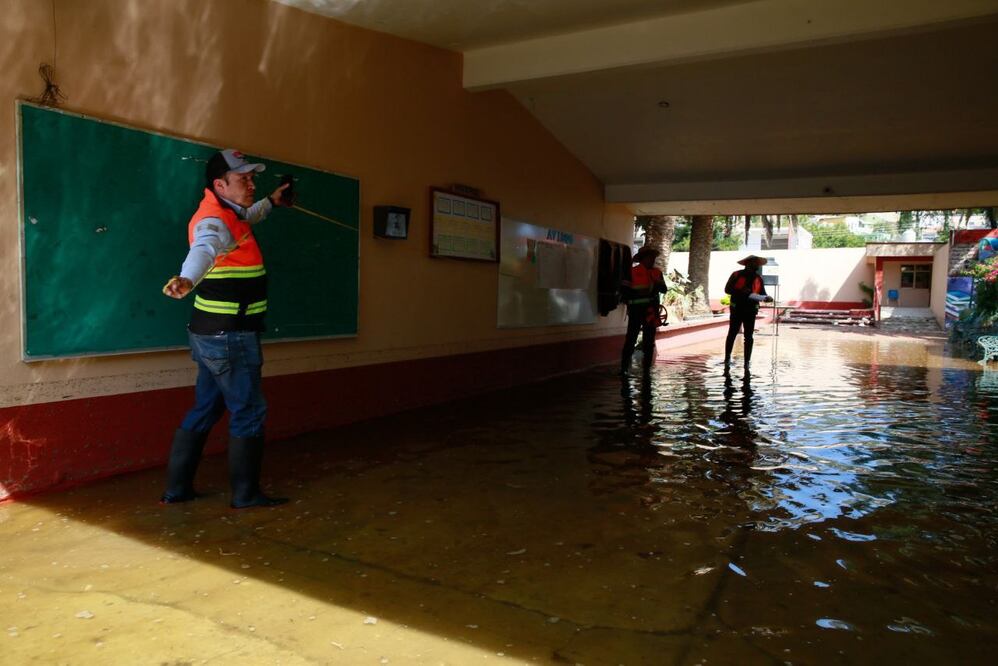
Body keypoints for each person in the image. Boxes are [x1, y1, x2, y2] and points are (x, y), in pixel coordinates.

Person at [160, 149, 292, 508]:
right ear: (220, 185)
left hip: (209, 333)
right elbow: (204, 248)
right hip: (230, 336)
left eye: (252, 178)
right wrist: (188, 278)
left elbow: (249, 215)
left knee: (206, 406)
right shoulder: (213, 221)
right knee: (248, 410)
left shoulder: (230, 211)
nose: (251, 184)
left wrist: (272, 202)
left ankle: (177, 490)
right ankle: (246, 495)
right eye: (243, 179)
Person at [620, 246, 667, 374]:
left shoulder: (657, 272)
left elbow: (664, 290)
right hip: (636, 311)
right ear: (643, 259)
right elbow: (624, 291)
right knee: (631, 339)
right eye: (649, 257)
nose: (652, 260)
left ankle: (647, 369)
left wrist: (658, 283)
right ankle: (624, 368)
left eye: (653, 257)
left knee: (649, 341)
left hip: (651, 312)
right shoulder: (632, 272)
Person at [723, 255, 773, 372]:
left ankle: (746, 362)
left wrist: (766, 298)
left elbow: (762, 294)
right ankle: (727, 359)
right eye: (755, 263)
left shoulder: (758, 278)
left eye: (757, 263)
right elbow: (727, 289)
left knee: (749, 337)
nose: (757, 265)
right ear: (748, 264)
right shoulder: (736, 275)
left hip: (751, 310)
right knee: (732, 333)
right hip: (737, 309)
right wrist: (741, 291)